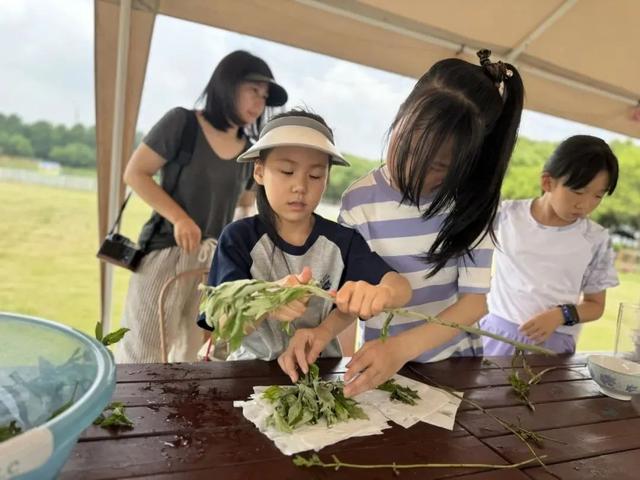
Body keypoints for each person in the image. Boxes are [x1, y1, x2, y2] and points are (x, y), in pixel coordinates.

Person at [279, 49, 525, 396]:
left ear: (466, 164)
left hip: (451, 366)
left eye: (438, 166)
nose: (412, 170)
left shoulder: (471, 205)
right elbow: (355, 296)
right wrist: (322, 333)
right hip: (380, 365)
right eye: (406, 146)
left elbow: (474, 303)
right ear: (399, 117)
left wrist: (400, 349)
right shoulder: (359, 201)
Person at [198, 109, 411, 364]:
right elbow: (221, 323)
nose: (300, 186)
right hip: (249, 371)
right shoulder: (238, 238)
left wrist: (382, 294)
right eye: (287, 171)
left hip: (318, 371)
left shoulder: (342, 242)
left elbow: (401, 288)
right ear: (259, 172)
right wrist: (268, 300)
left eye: (315, 175)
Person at [116, 50, 288, 363]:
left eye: (264, 97)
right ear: (227, 85)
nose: (259, 103)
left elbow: (244, 206)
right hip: (166, 252)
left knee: (197, 356)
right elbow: (135, 173)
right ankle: (131, 413)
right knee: (144, 352)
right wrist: (180, 218)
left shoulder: (250, 152)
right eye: (253, 91)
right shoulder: (182, 123)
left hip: (213, 266)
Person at [480, 135, 620, 355]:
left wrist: (560, 315)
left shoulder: (595, 239)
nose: (585, 205)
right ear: (548, 182)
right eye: (579, 191)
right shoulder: (506, 216)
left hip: (552, 346)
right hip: (495, 335)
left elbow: (595, 305)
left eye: (598, 196)